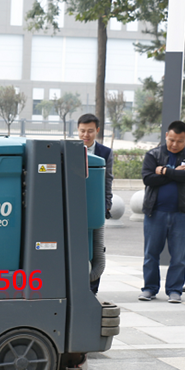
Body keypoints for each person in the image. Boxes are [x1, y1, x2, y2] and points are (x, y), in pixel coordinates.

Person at [140, 120, 185, 303]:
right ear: (166, 135)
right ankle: (149, 288)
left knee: (179, 256)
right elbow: (148, 179)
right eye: (171, 140)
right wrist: (175, 173)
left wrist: (164, 171)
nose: (174, 144)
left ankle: (174, 290)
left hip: (181, 214)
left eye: (179, 141)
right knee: (151, 254)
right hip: (155, 212)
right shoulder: (153, 154)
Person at [77, 113, 114, 295]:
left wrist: (106, 204)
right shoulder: (68, 149)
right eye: (82, 131)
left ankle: (92, 289)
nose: (86, 135)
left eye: (90, 131)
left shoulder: (105, 152)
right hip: (74, 206)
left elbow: (108, 180)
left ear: (97, 131)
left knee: (96, 248)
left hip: (95, 207)